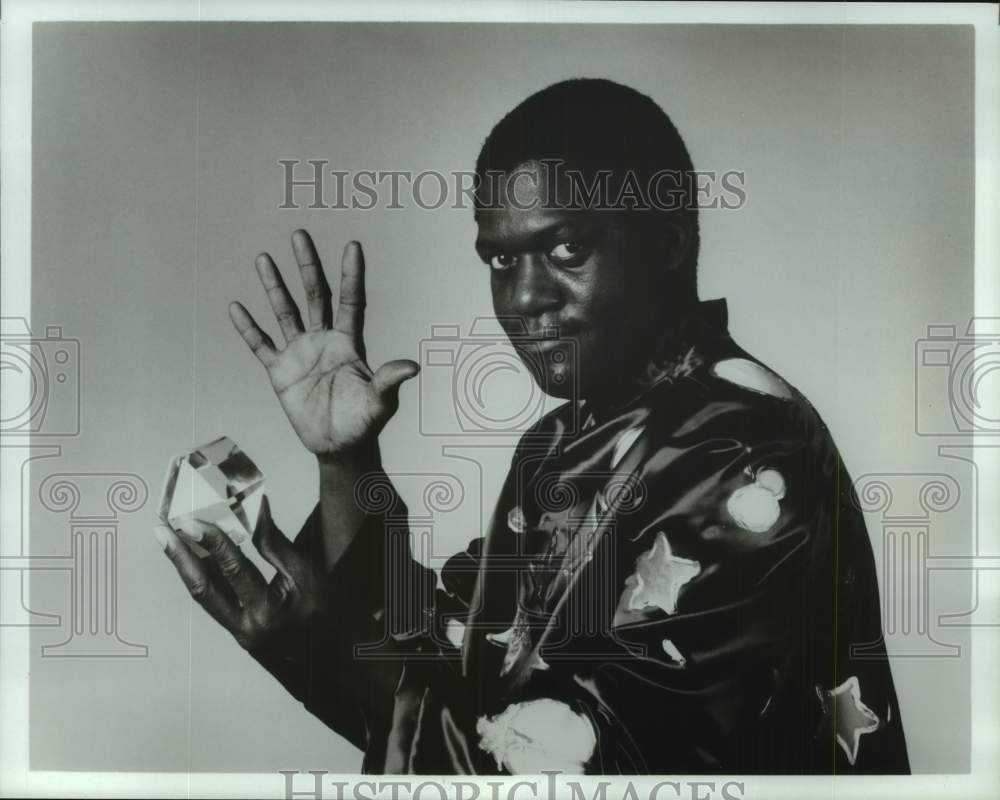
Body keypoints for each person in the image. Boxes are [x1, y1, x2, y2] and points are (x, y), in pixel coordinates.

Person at [153, 78, 910, 774]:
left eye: (566, 249)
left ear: (668, 242)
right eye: (499, 260)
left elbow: (593, 762)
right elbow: (447, 655)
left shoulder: (741, 445)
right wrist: (348, 461)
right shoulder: (560, 442)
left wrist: (305, 645)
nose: (524, 299)